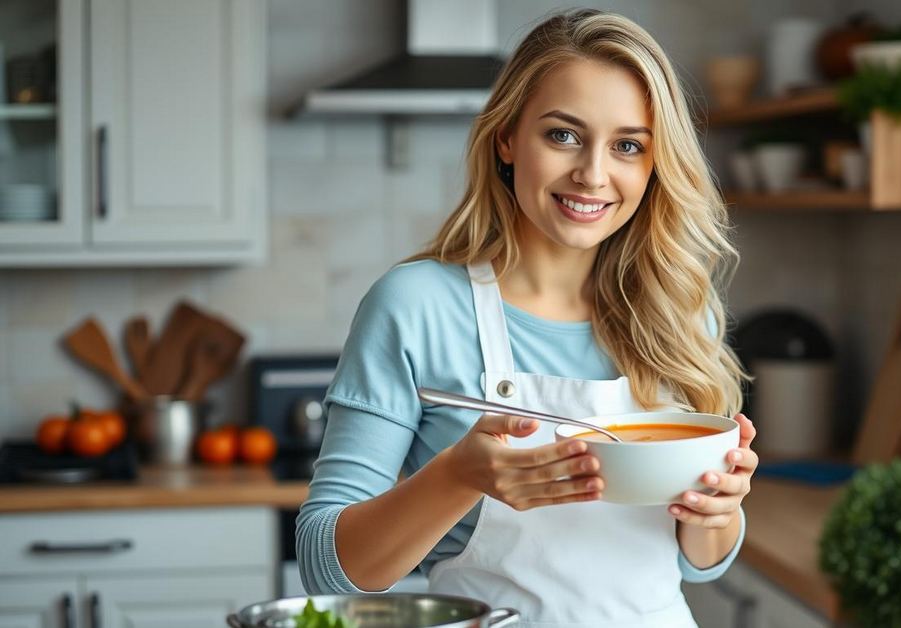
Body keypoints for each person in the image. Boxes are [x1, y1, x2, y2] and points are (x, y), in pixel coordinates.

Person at [297, 9, 758, 627]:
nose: (593, 174)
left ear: (654, 166)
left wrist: (720, 513)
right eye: (563, 135)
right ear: (508, 137)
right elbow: (326, 567)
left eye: (627, 145)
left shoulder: (678, 307)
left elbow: (700, 563)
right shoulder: (415, 306)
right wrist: (459, 475)